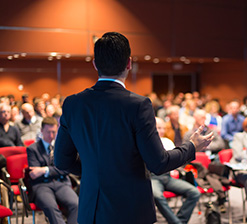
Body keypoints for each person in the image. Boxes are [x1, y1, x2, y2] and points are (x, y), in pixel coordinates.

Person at [54, 32, 213, 224]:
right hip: (130, 210)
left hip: (91, 210)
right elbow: (158, 163)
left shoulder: (73, 104)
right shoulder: (138, 105)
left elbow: (62, 161)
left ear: (95, 64)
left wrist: (94, 170)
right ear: (129, 63)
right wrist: (192, 147)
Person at [27, 117, 78, 224]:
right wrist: (55, 170)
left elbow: (66, 170)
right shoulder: (32, 149)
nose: (51, 136)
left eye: (53, 132)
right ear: (41, 131)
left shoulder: (61, 147)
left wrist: (44, 170)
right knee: (51, 208)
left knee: (76, 205)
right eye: (48, 132)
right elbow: (34, 174)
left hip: (61, 183)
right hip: (42, 185)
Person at [152, 117, 200, 224]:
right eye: (158, 128)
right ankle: (176, 223)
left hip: (167, 177)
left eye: (163, 128)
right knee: (157, 196)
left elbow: (175, 160)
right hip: (153, 178)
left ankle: (180, 221)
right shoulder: (148, 144)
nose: (162, 131)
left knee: (194, 192)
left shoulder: (167, 141)